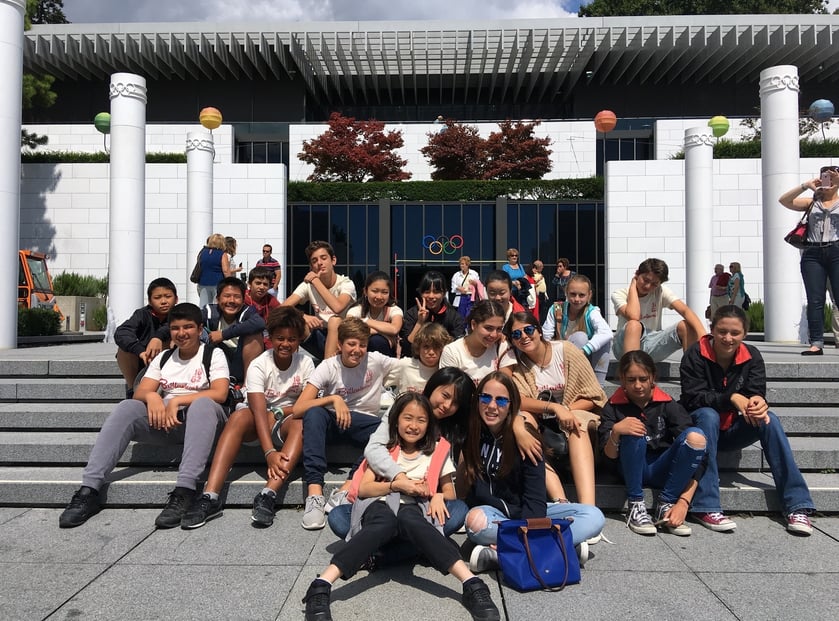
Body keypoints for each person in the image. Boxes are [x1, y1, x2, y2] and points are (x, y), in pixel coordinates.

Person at [302, 392, 500, 621]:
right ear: (396, 420)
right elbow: (365, 489)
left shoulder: (436, 450)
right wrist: (396, 485)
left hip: (415, 509)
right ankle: (321, 585)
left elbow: (449, 492)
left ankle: (472, 585)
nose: (413, 426)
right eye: (408, 418)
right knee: (372, 519)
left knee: (420, 516)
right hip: (379, 505)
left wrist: (437, 496)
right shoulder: (384, 449)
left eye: (421, 420)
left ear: (429, 424)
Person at [58, 303, 230, 529]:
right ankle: (88, 490)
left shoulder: (213, 353)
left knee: (203, 405)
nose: (181, 333)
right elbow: (141, 390)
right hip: (167, 422)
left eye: (188, 327)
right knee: (127, 407)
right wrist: (154, 398)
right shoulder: (165, 357)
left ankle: (185, 490)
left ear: (200, 330)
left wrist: (177, 400)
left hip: (204, 423)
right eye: (176, 328)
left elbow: (220, 392)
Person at [679, 305, 816, 535]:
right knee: (708, 414)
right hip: (699, 431)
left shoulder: (752, 355)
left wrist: (757, 402)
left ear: (745, 334)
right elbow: (693, 398)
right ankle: (706, 506)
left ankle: (797, 505)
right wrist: (731, 398)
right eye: (722, 331)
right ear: (712, 329)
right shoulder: (695, 353)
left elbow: (756, 390)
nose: (728, 338)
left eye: (735, 333)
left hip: (732, 431)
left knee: (768, 419)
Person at [180, 307, 314, 529]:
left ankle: (268, 493)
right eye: (280, 338)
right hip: (256, 422)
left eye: (292, 339)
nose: (286, 344)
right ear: (270, 338)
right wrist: (269, 452)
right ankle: (210, 496)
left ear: (299, 340)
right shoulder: (260, 364)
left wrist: (280, 414)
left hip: (285, 421)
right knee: (239, 417)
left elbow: (304, 405)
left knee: (301, 423)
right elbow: (258, 410)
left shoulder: (306, 363)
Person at [457, 372, 605, 572]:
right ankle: (557, 549)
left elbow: (535, 499)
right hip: (496, 514)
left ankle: (506, 554)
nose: (491, 406)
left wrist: (528, 531)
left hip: (529, 512)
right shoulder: (473, 432)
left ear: (511, 405)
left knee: (594, 516)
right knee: (475, 522)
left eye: (501, 400)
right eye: (485, 397)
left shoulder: (526, 439)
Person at [327, 366, 475, 543]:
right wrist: (401, 480)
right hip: (385, 500)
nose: (448, 406)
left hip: (421, 506)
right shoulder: (403, 409)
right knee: (338, 517)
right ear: (432, 386)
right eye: (445, 395)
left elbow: (447, 486)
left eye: (456, 403)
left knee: (458, 510)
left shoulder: (451, 430)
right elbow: (373, 449)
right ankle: (418, 546)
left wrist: (439, 495)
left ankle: (383, 550)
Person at [294, 317, 398, 530]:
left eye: (362, 344)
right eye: (351, 344)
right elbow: (298, 408)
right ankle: (314, 495)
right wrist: (333, 399)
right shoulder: (328, 366)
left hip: (363, 422)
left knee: (388, 429)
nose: (357, 350)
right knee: (314, 412)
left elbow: (413, 366)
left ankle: (347, 487)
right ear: (340, 345)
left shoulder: (376, 360)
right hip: (333, 421)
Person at [499, 312, 606, 507]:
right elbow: (518, 400)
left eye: (528, 330)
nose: (523, 336)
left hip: (576, 414)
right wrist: (555, 408)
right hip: (544, 422)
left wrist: (565, 410)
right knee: (524, 423)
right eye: (516, 335)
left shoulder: (566, 350)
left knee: (577, 424)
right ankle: (559, 499)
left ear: (539, 331)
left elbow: (594, 395)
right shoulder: (517, 365)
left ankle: (588, 508)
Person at [600, 351, 706, 536]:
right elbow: (607, 457)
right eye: (631, 379)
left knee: (696, 436)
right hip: (629, 469)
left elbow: (699, 458)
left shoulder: (667, 404)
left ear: (653, 378)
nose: (638, 385)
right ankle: (635, 504)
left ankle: (666, 502)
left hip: (660, 467)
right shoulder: (612, 406)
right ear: (622, 379)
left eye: (643, 378)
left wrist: (683, 501)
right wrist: (616, 431)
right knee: (633, 429)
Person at [779, 165, 839, 355]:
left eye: (832, 177)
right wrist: (806, 185)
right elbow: (784, 200)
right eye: (825, 177)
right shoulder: (812, 202)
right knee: (815, 299)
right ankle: (817, 342)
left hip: (837, 250)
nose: (828, 180)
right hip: (813, 253)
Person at [612, 257, 706, 362]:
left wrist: (703, 336)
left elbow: (685, 311)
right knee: (634, 324)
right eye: (645, 280)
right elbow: (634, 316)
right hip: (623, 346)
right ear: (637, 274)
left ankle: (693, 373)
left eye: (654, 284)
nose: (648, 286)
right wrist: (633, 287)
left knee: (687, 325)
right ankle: (631, 373)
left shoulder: (660, 292)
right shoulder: (619, 294)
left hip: (651, 343)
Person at [282, 240, 357, 361]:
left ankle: (327, 371)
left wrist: (316, 280)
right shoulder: (308, 285)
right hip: (322, 337)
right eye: (314, 261)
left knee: (335, 320)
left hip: (345, 340)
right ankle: (291, 366)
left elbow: (337, 307)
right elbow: (282, 308)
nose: (320, 263)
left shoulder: (346, 283)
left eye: (323, 258)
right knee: (297, 322)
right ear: (311, 266)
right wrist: (303, 316)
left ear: (333, 260)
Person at [542, 274, 612, 384]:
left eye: (581, 295)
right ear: (566, 293)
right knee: (580, 337)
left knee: (602, 341)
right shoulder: (556, 309)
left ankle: (599, 385)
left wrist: (584, 350)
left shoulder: (592, 312)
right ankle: (573, 383)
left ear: (589, 295)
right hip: (562, 359)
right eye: (573, 294)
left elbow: (607, 332)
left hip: (585, 357)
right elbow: (546, 335)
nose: (576, 299)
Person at [113, 277, 177, 399]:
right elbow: (121, 332)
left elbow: (174, 326)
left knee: (174, 342)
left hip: (171, 364)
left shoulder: (181, 313)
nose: (163, 301)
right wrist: (140, 351)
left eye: (168, 296)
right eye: (157, 298)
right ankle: (133, 390)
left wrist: (158, 338)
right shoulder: (142, 314)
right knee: (123, 350)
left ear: (176, 298)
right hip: (144, 361)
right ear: (149, 301)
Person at [202, 277, 266, 384]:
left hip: (240, 363)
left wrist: (223, 334)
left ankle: (248, 385)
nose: (231, 301)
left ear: (243, 299)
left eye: (237, 297)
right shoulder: (209, 312)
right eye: (227, 296)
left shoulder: (247, 312)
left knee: (254, 335)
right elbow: (187, 320)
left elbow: (260, 323)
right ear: (218, 298)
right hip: (216, 362)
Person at [326, 270, 402, 357]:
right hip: (358, 354)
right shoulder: (356, 310)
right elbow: (350, 331)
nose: (379, 296)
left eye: (384, 292)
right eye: (375, 291)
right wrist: (383, 331)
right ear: (365, 291)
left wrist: (365, 321)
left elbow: (394, 329)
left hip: (386, 355)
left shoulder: (394, 310)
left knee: (376, 341)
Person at [439, 300, 508, 383]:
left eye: (499, 329)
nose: (494, 334)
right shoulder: (452, 352)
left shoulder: (501, 346)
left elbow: (505, 386)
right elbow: (447, 388)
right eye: (488, 328)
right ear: (474, 324)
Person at [400, 271, 465, 357]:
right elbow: (407, 348)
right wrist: (420, 322)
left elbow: (458, 347)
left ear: (444, 293)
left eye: (436, 292)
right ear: (421, 293)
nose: (431, 296)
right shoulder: (411, 314)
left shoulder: (454, 317)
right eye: (427, 292)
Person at [386, 323, 452, 394]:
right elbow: (380, 378)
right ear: (418, 347)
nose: (431, 352)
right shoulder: (405, 365)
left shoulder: (445, 371)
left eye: (436, 346)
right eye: (426, 347)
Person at [245, 267, 281, 350]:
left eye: (265, 284)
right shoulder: (242, 298)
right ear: (249, 284)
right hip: (246, 336)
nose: (261, 287)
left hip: (265, 336)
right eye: (258, 283)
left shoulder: (269, 299)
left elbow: (282, 310)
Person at [196, 233, 230, 307]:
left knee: (203, 304)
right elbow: (226, 270)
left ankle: (203, 318)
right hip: (217, 283)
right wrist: (230, 282)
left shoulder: (203, 253)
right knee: (216, 305)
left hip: (203, 283)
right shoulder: (222, 254)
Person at [450, 256, 484, 320]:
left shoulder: (474, 273)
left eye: (463, 264)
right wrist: (458, 288)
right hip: (460, 297)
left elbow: (479, 285)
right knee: (461, 317)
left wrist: (475, 283)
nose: (461, 265)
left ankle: (469, 329)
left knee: (470, 315)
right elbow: (453, 287)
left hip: (470, 298)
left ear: (467, 264)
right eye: (460, 264)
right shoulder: (456, 275)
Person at [530, 259, 549, 325]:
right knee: (538, 311)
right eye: (541, 266)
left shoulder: (541, 274)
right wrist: (539, 279)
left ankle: (541, 324)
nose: (543, 268)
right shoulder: (533, 275)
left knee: (542, 311)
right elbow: (533, 283)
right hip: (537, 295)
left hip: (542, 295)